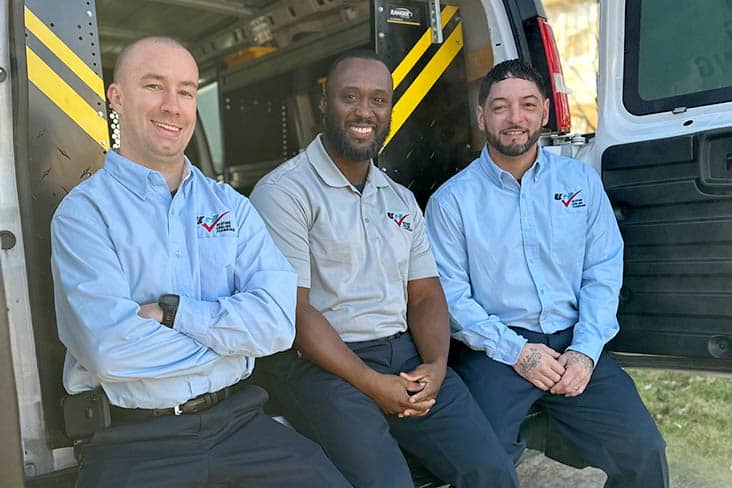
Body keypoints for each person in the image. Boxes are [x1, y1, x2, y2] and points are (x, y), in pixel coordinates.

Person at [50, 36, 349, 488]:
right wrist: (231, 339)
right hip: (135, 441)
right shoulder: (84, 214)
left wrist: (174, 314)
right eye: (154, 86)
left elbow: (277, 325)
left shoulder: (232, 207)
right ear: (116, 97)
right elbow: (110, 352)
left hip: (239, 424)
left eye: (186, 91)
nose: (173, 105)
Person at [249, 50, 518, 488]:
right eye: (350, 97)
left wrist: (435, 364)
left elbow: (426, 294)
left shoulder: (398, 198)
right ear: (324, 103)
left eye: (378, 100)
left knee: (492, 471)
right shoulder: (284, 193)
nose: (365, 112)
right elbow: (295, 314)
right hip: (323, 365)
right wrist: (374, 385)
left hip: (405, 355)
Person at [425, 59, 669, 487]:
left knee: (643, 449)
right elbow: (450, 296)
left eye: (527, 104)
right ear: (480, 116)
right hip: (496, 352)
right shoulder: (451, 202)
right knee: (482, 464)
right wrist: (518, 353)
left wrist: (586, 349)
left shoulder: (579, 181)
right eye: (500, 107)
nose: (515, 118)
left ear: (544, 112)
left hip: (574, 340)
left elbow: (603, 268)